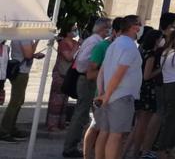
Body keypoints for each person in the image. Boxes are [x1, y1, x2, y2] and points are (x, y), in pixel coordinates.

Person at [95, 15, 143, 159]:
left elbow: (102, 71)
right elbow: (119, 73)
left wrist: (102, 93)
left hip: (109, 95)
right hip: (120, 96)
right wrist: (107, 95)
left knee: (105, 132)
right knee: (116, 136)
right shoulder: (129, 47)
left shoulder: (114, 44)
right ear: (135, 28)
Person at [64, 17, 109, 157]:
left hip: (87, 79)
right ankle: (70, 147)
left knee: (89, 115)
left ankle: (84, 145)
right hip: (87, 80)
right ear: (103, 29)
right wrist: (92, 69)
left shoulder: (93, 40)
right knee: (81, 114)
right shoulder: (95, 42)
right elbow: (82, 61)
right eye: (109, 27)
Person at [125, 28, 163, 159]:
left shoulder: (141, 50)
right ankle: (136, 153)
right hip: (147, 90)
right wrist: (160, 70)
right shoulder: (151, 55)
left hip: (139, 88)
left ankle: (125, 152)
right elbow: (147, 75)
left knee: (137, 125)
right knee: (141, 125)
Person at [153, 26, 175, 159]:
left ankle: (167, 147)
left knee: (170, 119)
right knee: (172, 121)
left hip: (167, 86)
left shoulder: (165, 53)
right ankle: (164, 148)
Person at [0, 37, 41, 141]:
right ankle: (4, 131)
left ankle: (11, 128)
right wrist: (37, 42)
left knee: (19, 101)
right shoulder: (24, 38)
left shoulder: (21, 36)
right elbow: (28, 55)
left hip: (20, 71)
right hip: (21, 72)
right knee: (15, 102)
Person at [48, 24, 80, 132]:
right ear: (67, 32)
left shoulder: (75, 43)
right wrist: (77, 46)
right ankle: (52, 124)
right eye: (73, 30)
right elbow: (68, 57)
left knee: (64, 100)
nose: (75, 32)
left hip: (69, 74)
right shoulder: (63, 43)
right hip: (60, 73)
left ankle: (61, 123)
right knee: (57, 100)